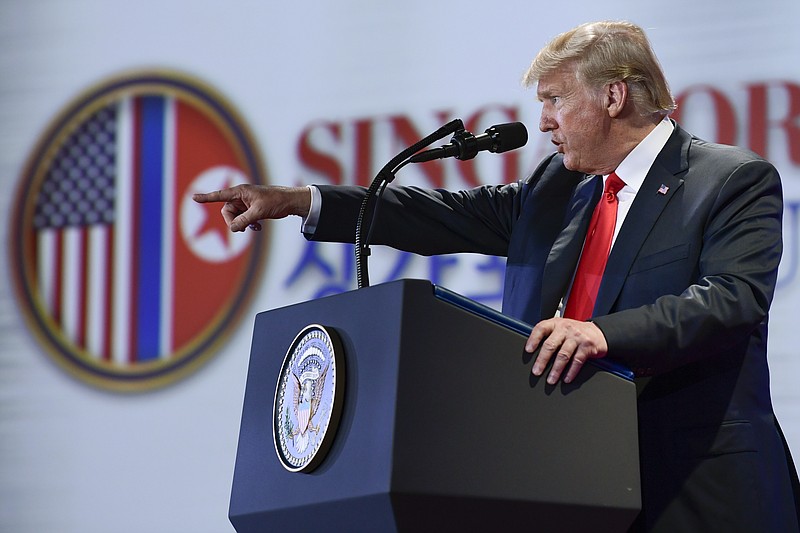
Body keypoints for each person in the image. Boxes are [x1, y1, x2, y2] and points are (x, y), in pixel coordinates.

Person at [194, 20, 799, 532]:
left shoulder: (726, 179)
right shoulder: (558, 189)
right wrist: (301, 200)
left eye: (556, 100)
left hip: (699, 484)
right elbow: (441, 217)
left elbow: (731, 299)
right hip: (573, 485)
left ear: (614, 96)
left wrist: (601, 334)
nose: (544, 121)